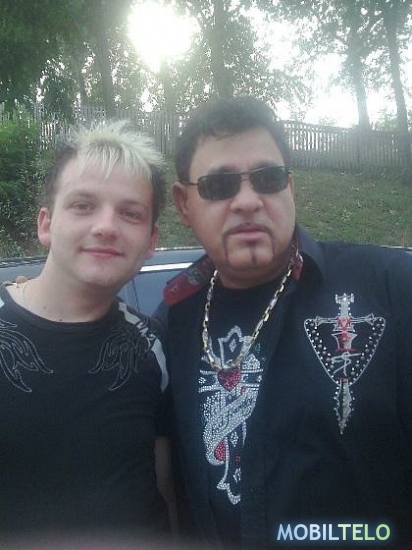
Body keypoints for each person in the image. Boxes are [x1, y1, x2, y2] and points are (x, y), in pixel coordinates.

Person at [156, 96, 412, 549]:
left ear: (289, 187)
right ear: (184, 203)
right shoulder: (173, 320)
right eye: (219, 185)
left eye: (268, 178)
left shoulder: (391, 290)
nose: (247, 201)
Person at [0, 120, 173, 540]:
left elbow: (168, 492)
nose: (106, 226)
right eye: (82, 205)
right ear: (46, 224)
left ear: (151, 242)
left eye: (130, 213)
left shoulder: (154, 347)